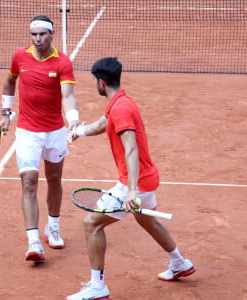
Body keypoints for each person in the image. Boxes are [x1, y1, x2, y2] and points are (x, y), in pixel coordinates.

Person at [67, 57, 196, 300]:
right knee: (147, 220)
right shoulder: (119, 102)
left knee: (91, 224)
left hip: (135, 183)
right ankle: (180, 263)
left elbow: (131, 149)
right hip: (147, 178)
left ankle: (97, 287)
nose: (95, 84)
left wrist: (131, 191)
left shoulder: (122, 109)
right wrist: (79, 132)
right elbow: (103, 123)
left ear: (102, 83)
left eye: (95, 80)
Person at [0, 15, 79, 261]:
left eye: (43, 34)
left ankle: (52, 227)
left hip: (55, 132)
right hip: (27, 132)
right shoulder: (20, 57)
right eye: (34, 35)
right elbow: (10, 81)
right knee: (29, 183)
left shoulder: (62, 62)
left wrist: (73, 119)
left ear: (52, 35)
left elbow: (68, 96)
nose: (38, 39)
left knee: (54, 180)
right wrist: (6, 113)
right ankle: (33, 242)